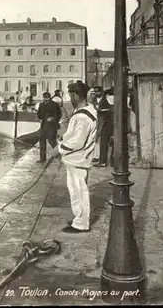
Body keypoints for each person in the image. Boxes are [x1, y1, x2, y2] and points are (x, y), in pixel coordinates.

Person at [58, 81, 98, 233]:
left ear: (75, 96)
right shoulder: (87, 111)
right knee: (75, 190)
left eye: (71, 96)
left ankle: (81, 223)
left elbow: (77, 141)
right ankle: (78, 219)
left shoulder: (82, 117)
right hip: (76, 159)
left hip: (78, 159)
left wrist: (60, 148)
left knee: (79, 191)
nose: (70, 99)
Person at [36, 92, 62, 163]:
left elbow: (59, 114)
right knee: (42, 141)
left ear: (50, 98)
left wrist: (53, 118)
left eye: (47, 99)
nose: (46, 101)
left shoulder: (55, 104)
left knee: (52, 141)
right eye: (45, 99)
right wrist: (40, 118)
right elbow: (39, 113)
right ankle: (42, 158)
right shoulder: (41, 105)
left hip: (51, 126)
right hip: (44, 125)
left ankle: (60, 154)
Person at [95, 88, 114, 167]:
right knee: (109, 144)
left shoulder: (104, 101)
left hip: (106, 125)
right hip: (109, 125)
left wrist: (99, 130)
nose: (96, 93)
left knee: (103, 144)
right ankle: (110, 161)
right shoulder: (104, 101)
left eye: (98, 91)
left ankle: (103, 161)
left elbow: (103, 117)